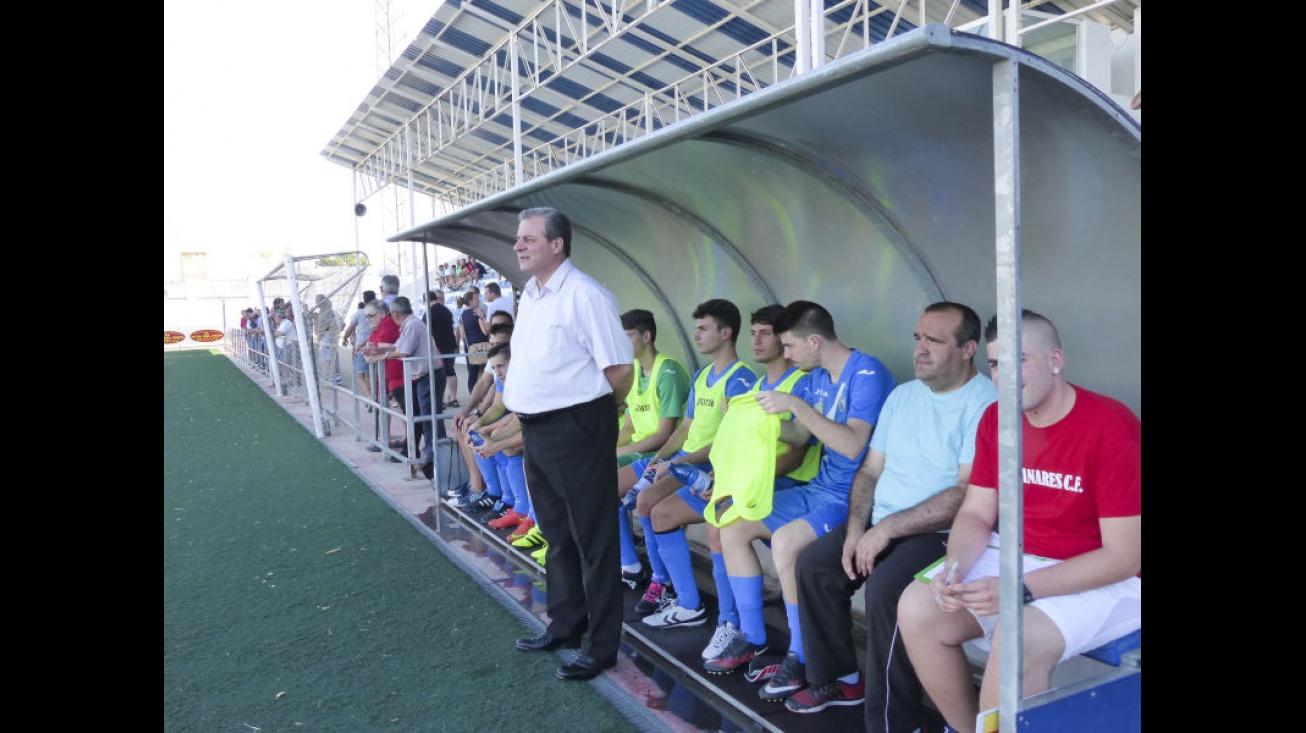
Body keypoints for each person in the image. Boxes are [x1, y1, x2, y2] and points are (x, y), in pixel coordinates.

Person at [897, 310, 1141, 733]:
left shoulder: (1110, 425)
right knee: (917, 607)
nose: (1004, 376)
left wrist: (1018, 591)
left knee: (1015, 639)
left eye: (1019, 361)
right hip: (1024, 560)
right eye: (995, 365)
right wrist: (955, 569)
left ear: (1055, 360)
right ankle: (967, 729)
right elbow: (975, 513)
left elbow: (1123, 556)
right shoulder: (996, 419)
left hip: (1107, 576)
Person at [779, 302, 996, 724]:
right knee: (815, 566)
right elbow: (870, 470)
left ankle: (893, 721)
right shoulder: (903, 395)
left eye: (935, 340)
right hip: (883, 521)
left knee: (886, 592)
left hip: (942, 532)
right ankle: (841, 679)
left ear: (969, 349)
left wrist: (888, 529)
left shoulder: (986, 401)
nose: (920, 349)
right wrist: (858, 527)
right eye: (918, 338)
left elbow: (965, 493)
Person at [709, 300, 896, 686]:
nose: (787, 355)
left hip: (856, 499)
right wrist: (759, 415)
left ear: (814, 341)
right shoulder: (813, 378)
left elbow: (851, 445)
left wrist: (793, 403)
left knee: (785, 542)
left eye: (790, 347)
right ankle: (753, 638)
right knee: (733, 525)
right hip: (820, 490)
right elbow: (799, 434)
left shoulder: (867, 372)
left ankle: (801, 652)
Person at [640, 305, 821, 662]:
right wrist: (719, 477)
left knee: (719, 526)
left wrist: (731, 484)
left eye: (765, 333)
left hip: (786, 485)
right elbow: (736, 445)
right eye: (752, 332)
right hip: (745, 483)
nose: (755, 340)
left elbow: (797, 455)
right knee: (658, 512)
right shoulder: (755, 386)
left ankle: (732, 623)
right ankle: (691, 605)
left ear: (785, 341)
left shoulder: (800, 384)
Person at [505, 206, 634, 682]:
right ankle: (565, 623)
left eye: (528, 238)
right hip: (538, 429)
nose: (518, 245)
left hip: (577, 427)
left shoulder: (586, 295)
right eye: (518, 238)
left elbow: (620, 370)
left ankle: (602, 646)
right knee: (557, 535)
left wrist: (599, 416)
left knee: (594, 541)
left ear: (557, 244)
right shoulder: (531, 294)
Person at [620, 299, 757, 620]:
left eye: (703, 328)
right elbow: (685, 427)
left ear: (726, 333)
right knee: (642, 501)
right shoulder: (703, 374)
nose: (695, 335)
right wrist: (660, 457)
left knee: (651, 505)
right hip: (680, 458)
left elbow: (725, 441)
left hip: (703, 465)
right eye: (695, 329)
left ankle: (679, 594)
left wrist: (674, 464)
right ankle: (661, 581)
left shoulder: (742, 379)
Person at [613, 308, 692, 592]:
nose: (623, 344)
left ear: (646, 336)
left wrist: (619, 454)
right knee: (596, 475)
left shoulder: (667, 372)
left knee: (607, 485)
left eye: (629, 336)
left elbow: (663, 436)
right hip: (641, 451)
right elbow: (629, 428)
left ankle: (647, 573)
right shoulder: (633, 371)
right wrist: (611, 448)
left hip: (664, 453)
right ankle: (629, 564)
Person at [365, 296, 443, 469]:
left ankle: (434, 455)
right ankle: (432, 453)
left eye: (370, 316)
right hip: (423, 375)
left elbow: (403, 351)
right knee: (425, 415)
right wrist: (380, 350)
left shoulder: (412, 325)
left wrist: (381, 355)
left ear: (394, 313)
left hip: (428, 374)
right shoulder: (409, 325)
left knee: (427, 416)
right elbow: (397, 346)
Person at [342, 290, 378, 411]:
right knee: (371, 375)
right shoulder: (378, 312)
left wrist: (344, 338)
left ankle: (370, 399)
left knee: (360, 376)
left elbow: (350, 328)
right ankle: (374, 397)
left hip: (362, 347)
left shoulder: (359, 313)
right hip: (375, 346)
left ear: (364, 299)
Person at [425, 289, 460, 410]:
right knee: (450, 371)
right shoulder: (447, 311)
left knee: (438, 374)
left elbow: (425, 331)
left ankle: (439, 400)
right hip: (450, 345)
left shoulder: (429, 312)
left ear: (427, 301)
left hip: (437, 347)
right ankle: (454, 398)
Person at [458, 289, 491, 396]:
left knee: (472, 374)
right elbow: (485, 331)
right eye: (476, 299)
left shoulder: (462, 316)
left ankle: (472, 396)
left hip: (470, 348)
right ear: (471, 301)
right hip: (483, 346)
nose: (478, 300)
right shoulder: (477, 313)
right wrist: (483, 317)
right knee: (484, 373)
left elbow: (463, 336)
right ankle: (482, 396)